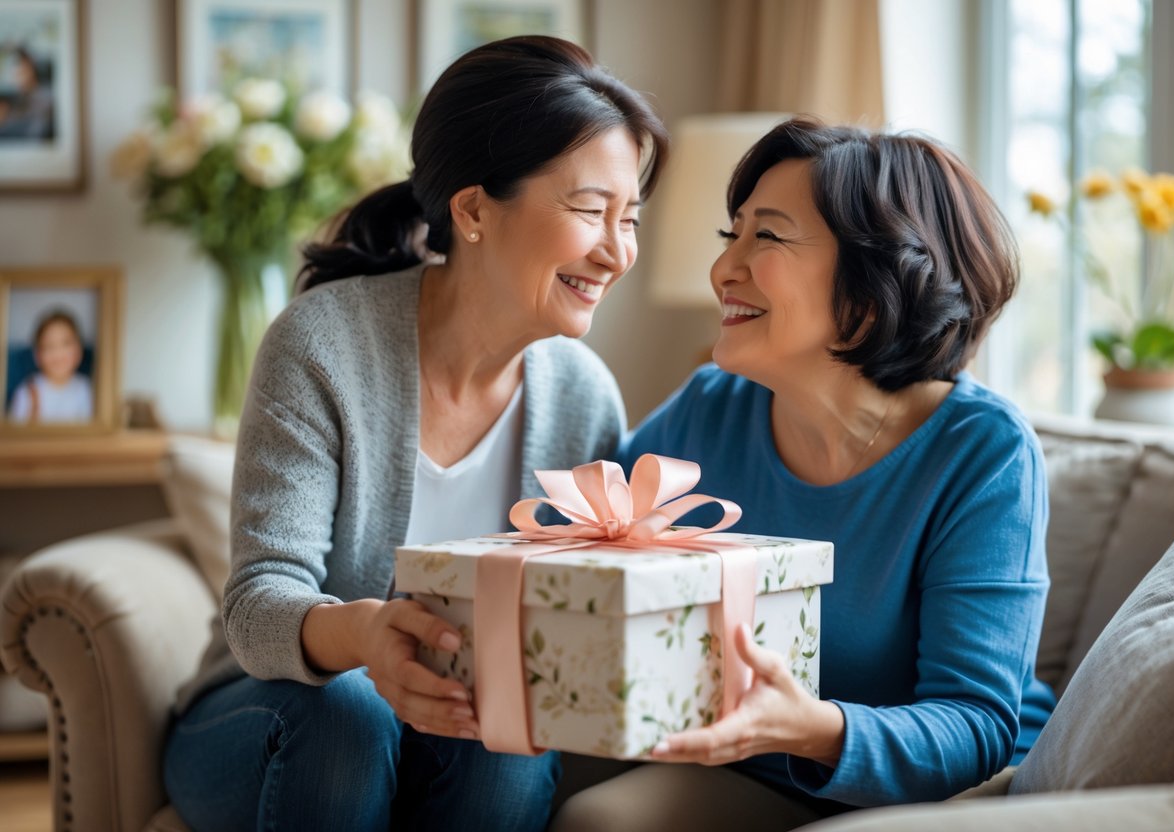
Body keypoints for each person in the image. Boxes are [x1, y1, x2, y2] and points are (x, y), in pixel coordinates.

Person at [162, 36, 668, 832]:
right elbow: (259, 609)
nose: (616, 251)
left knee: (506, 725)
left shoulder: (582, 398)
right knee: (352, 712)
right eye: (588, 210)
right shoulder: (322, 346)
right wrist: (365, 633)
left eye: (629, 217)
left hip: (453, 739)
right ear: (471, 209)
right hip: (270, 719)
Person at [551, 118, 1055, 831]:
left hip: (919, 790)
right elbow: (579, 541)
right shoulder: (711, 407)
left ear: (875, 281)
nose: (724, 269)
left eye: (768, 236)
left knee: (604, 821)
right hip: (740, 754)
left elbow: (974, 726)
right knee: (497, 759)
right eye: (733, 235)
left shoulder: (983, 451)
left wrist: (805, 727)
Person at [8, 309, 92, 423]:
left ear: (79, 350)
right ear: (37, 355)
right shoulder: (26, 392)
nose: (58, 354)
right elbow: (15, 436)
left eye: (66, 344)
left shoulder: (87, 389)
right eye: (49, 346)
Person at [0, 47, 55, 141]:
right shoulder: (13, 100)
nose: (14, 72)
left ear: (30, 65)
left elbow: (37, 133)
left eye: (18, 65)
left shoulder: (46, 97)